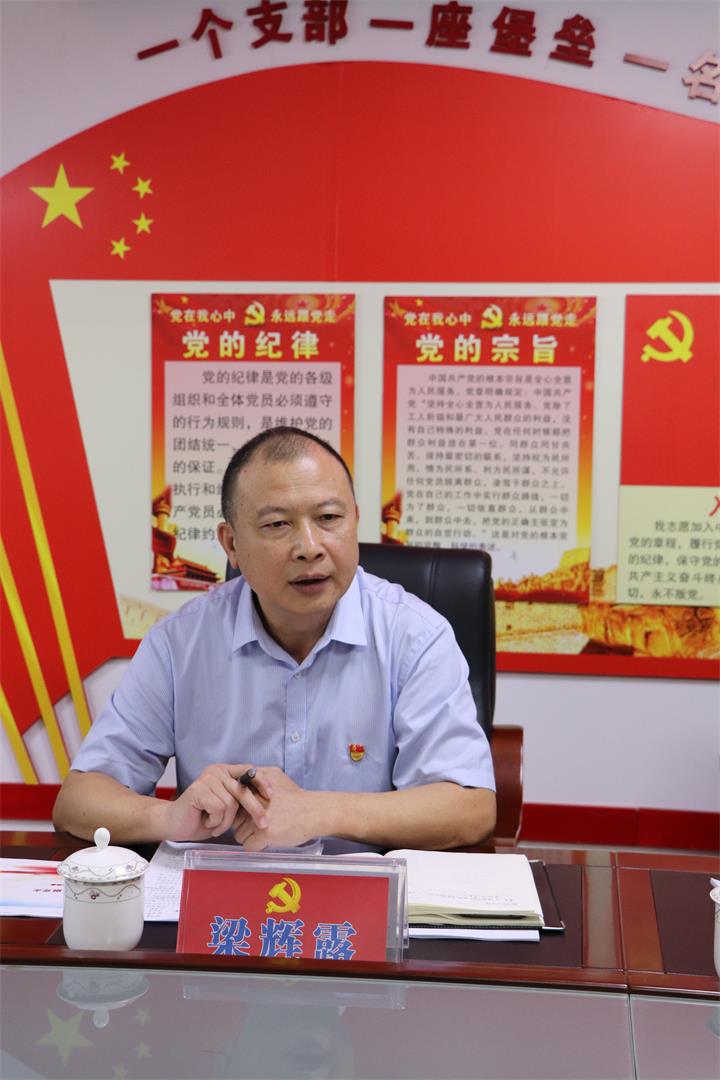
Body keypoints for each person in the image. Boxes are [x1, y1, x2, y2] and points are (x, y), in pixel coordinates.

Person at [53, 427, 496, 850]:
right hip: (223, 893)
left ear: (355, 521)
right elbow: (78, 800)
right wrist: (170, 817)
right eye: (278, 524)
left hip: (363, 890)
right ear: (231, 544)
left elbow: (470, 807)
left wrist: (319, 812)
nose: (309, 547)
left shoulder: (415, 636)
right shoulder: (181, 643)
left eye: (329, 518)